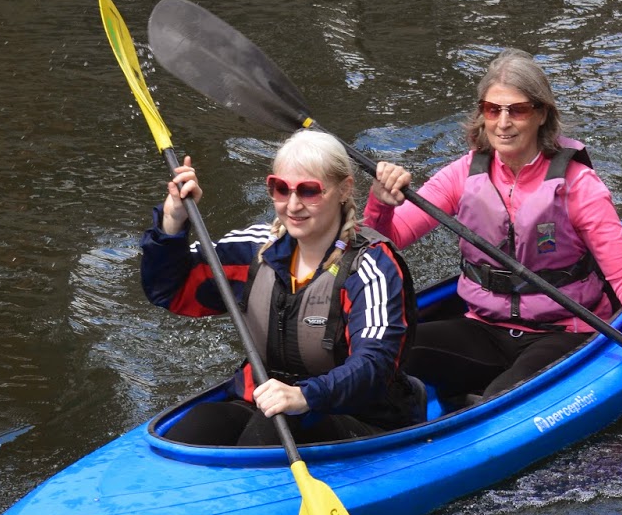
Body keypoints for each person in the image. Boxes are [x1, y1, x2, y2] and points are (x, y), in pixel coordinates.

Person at [363, 48, 622, 406]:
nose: (503, 123)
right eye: (493, 110)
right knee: (383, 353)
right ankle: (410, 412)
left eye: (517, 110)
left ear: (541, 114)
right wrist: (381, 202)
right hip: (484, 326)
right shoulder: (463, 173)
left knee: (499, 401)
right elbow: (387, 239)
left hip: (563, 331)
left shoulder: (579, 186)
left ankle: (468, 404)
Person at [141, 129, 423, 446]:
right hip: (267, 402)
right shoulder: (256, 249)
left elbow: (375, 366)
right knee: (196, 426)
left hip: (360, 418)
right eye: (280, 189)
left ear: (344, 189)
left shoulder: (371, 267)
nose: (292, 205)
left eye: (308, 191)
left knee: (276, 427)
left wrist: (303, 396)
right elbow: (169, 289)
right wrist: (173, 221)